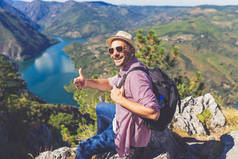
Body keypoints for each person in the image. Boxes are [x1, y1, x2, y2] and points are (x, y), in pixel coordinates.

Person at [74, 31, 160, 159]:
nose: (114, 54)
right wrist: (86, 82)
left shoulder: (136, 76)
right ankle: (101, 148)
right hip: (124, 117)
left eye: (119, 49)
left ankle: (105, 143)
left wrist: (120, 100)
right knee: (101, 107)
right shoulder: (128, 68)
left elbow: (153, 113)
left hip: (129, 134)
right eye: (111, 50)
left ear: (131, 51)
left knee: (83, 147)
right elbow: (108, 83)